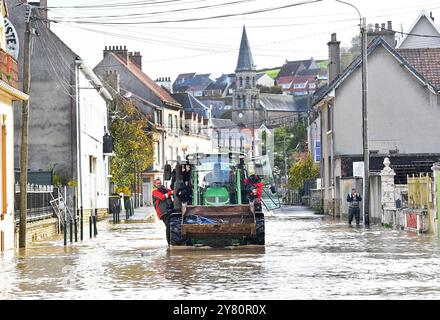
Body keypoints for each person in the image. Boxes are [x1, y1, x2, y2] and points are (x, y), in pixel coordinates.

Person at [152, 178, 173, 244]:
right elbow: (162, 197)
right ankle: (169, 242)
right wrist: (170, 193)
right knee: (168, 225)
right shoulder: (154, 191)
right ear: (155, 184)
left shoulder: (164, 189)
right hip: (163, 212)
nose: (159, 184)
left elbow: (171, 191)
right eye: (158, 183)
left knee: (170, 225)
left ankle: (171, 240)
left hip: (169, 209)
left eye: (160, 183)